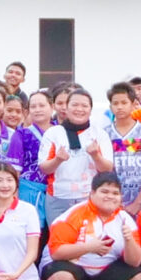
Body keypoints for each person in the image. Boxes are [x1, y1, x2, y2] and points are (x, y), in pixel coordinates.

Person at [43, 171, 141, 280]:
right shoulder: (73, 214)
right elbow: (56, 252)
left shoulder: (125, 219)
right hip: (74, 271)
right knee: (60, 279)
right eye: (104, 191)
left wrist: (129, 241)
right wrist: (89, 247)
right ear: (92, 193)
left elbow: (135, 261)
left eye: (115, 193)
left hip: (103, 275)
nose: (110, 197)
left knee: (137, 277)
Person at [38, 87, 109, 218]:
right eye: (75, 105)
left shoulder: (99, 134)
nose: (79, 109)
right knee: (58, 232)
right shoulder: (53, 133)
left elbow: (107, 168)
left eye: (84, 106)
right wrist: (57, 160)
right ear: (66, 107)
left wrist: (96, 156)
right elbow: (44, 168)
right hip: (58, 198)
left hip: (89, 197)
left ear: (90, 109)